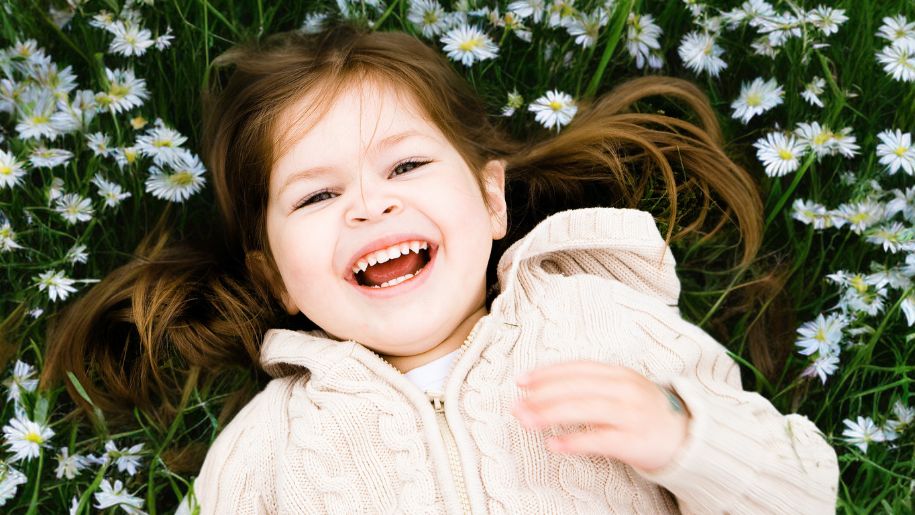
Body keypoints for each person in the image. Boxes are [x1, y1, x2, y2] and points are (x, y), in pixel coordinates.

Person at [42, 22, 839, 514]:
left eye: (405, 166)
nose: (368, 207)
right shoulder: (268, 447)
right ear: (275, 276)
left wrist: (682, 436)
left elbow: (805, 493)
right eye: (317, 195)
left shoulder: (600, 321)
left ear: (492, 200)